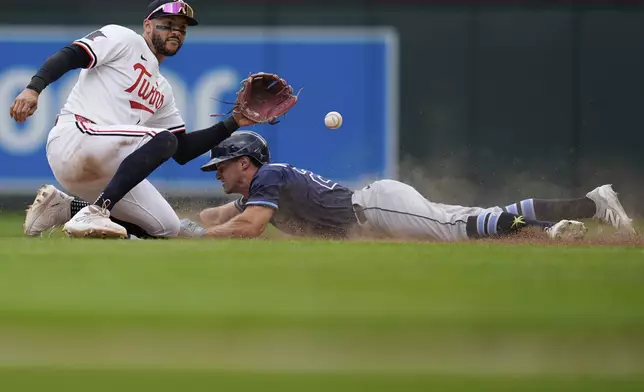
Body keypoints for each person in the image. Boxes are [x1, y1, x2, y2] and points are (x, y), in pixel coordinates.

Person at [15, 0, 257, 239]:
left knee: (166, 227)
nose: (176, 32)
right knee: (163, 139)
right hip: (75, 138)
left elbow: (181, 150)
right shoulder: (124, 39)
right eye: (168, 24)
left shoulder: (163, 90)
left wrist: (234, 121)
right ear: (148, 26)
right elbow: (72, 54)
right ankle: (96, 211)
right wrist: (33, 88)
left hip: (103, 170)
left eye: (182, 29)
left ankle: (64, 208)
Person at [177, 130, 636, 242]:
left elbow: (249, 226)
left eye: (220, 165)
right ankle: (577, 213)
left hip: (375, 209)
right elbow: (219, 217)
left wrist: (195, 238)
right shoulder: (261, 187)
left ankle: (572, 217)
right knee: (471, 219)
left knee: (463, 228)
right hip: (378, 212)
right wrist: (185, 228)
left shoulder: (270, 178)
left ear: (245, 162)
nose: (216, 172)